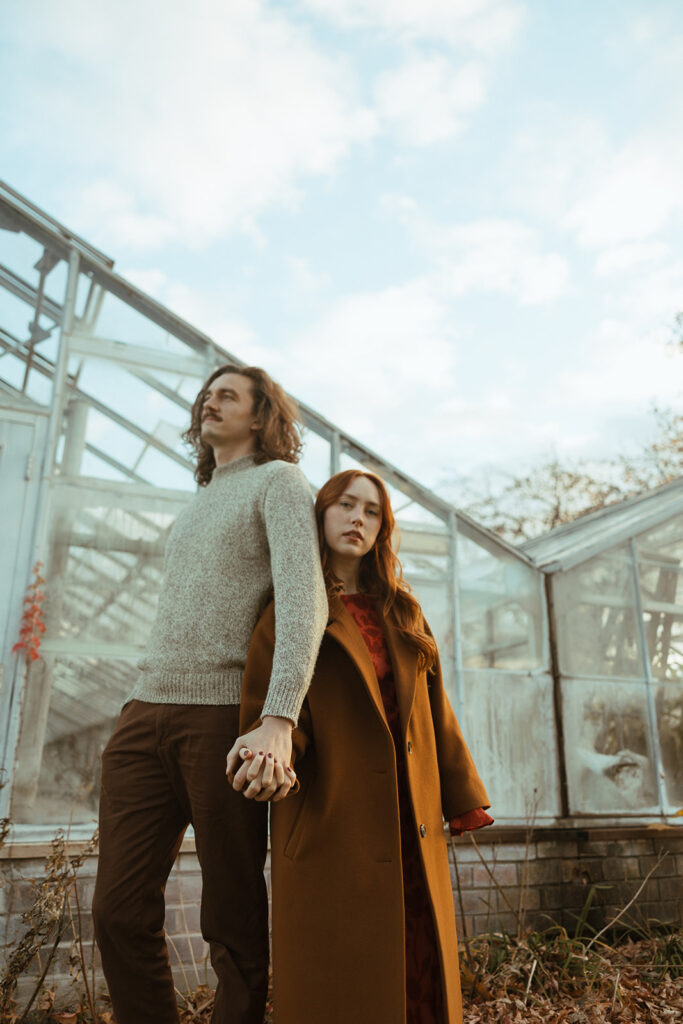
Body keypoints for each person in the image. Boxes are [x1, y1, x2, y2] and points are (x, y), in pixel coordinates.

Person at [91, 364, 328, 1024]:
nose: (208, 402)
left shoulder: (279, 483)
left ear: (260, 417)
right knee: (116, 909)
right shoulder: (197, 502)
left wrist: (278, 717)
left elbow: (304, 601)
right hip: (144, 713)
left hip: (223, 716)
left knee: (230, 915)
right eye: (206, 394)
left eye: (227, 395)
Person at [235, 469, 493, 1024]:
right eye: (346, 505)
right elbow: (275, 716)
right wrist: (273, 757)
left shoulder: (403, 610)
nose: (358, 518)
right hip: (334, 820)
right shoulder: (289, 614)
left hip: (409, 819)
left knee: (417, 962)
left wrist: (461, 795)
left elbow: (433, 710)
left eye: (372, 511)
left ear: (382, 528)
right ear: (320, 514)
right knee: (342, 981)